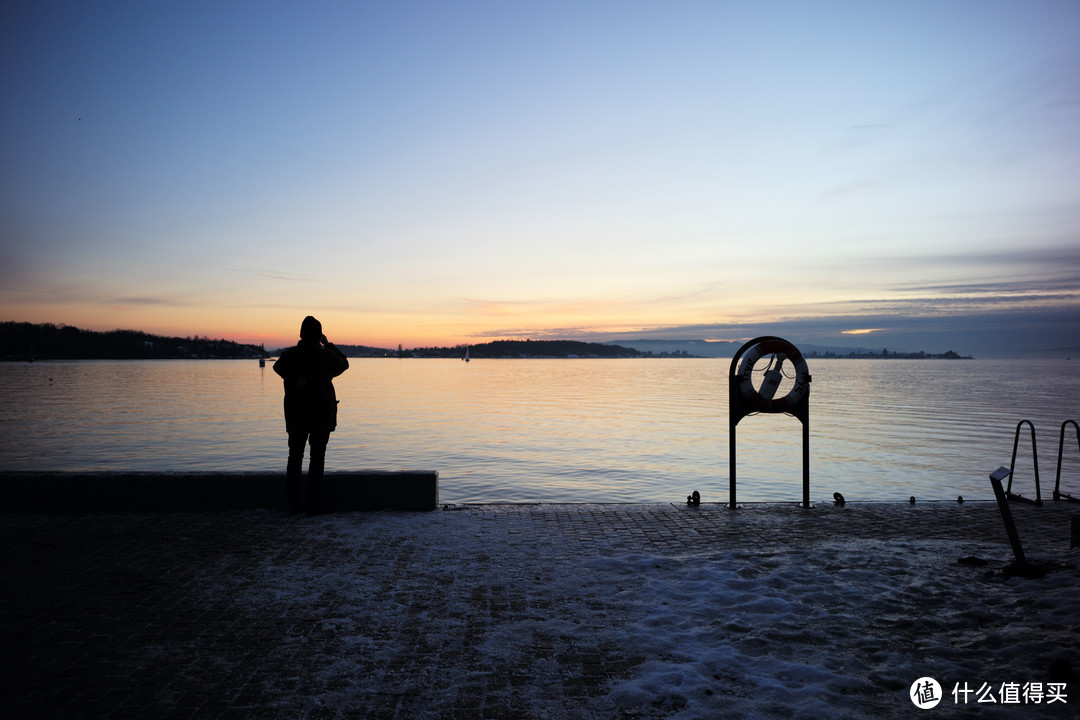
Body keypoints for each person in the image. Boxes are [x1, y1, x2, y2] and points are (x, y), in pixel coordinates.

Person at [273, 316, 349, 514]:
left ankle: (293, 503)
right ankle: (313, 503)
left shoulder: (291, 356)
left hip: (296, 414)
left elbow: (277, 368)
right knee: (317, 458)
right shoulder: (325, 356)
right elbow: (344, 363)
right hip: (320, 414)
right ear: (319, 335)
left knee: (295, 456)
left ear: (301, 334)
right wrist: (329, 344)